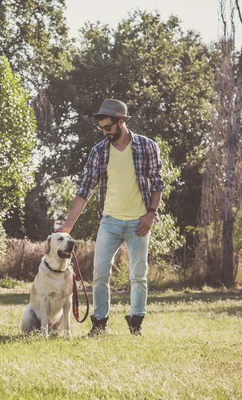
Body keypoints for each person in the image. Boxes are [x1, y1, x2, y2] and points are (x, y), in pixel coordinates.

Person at [57, 99, 164, 336]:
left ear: (122, 121)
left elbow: (157, 182)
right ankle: (99, 324)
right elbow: (85, 189)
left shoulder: (147, 147)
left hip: (139, 223)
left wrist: (151, 214)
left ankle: (136, 323)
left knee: (138, 275)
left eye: (108, 127)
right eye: (101, 128)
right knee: (100, 274)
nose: (104, 132)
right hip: (110, 222)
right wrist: (68, 224)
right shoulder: (99, 151)